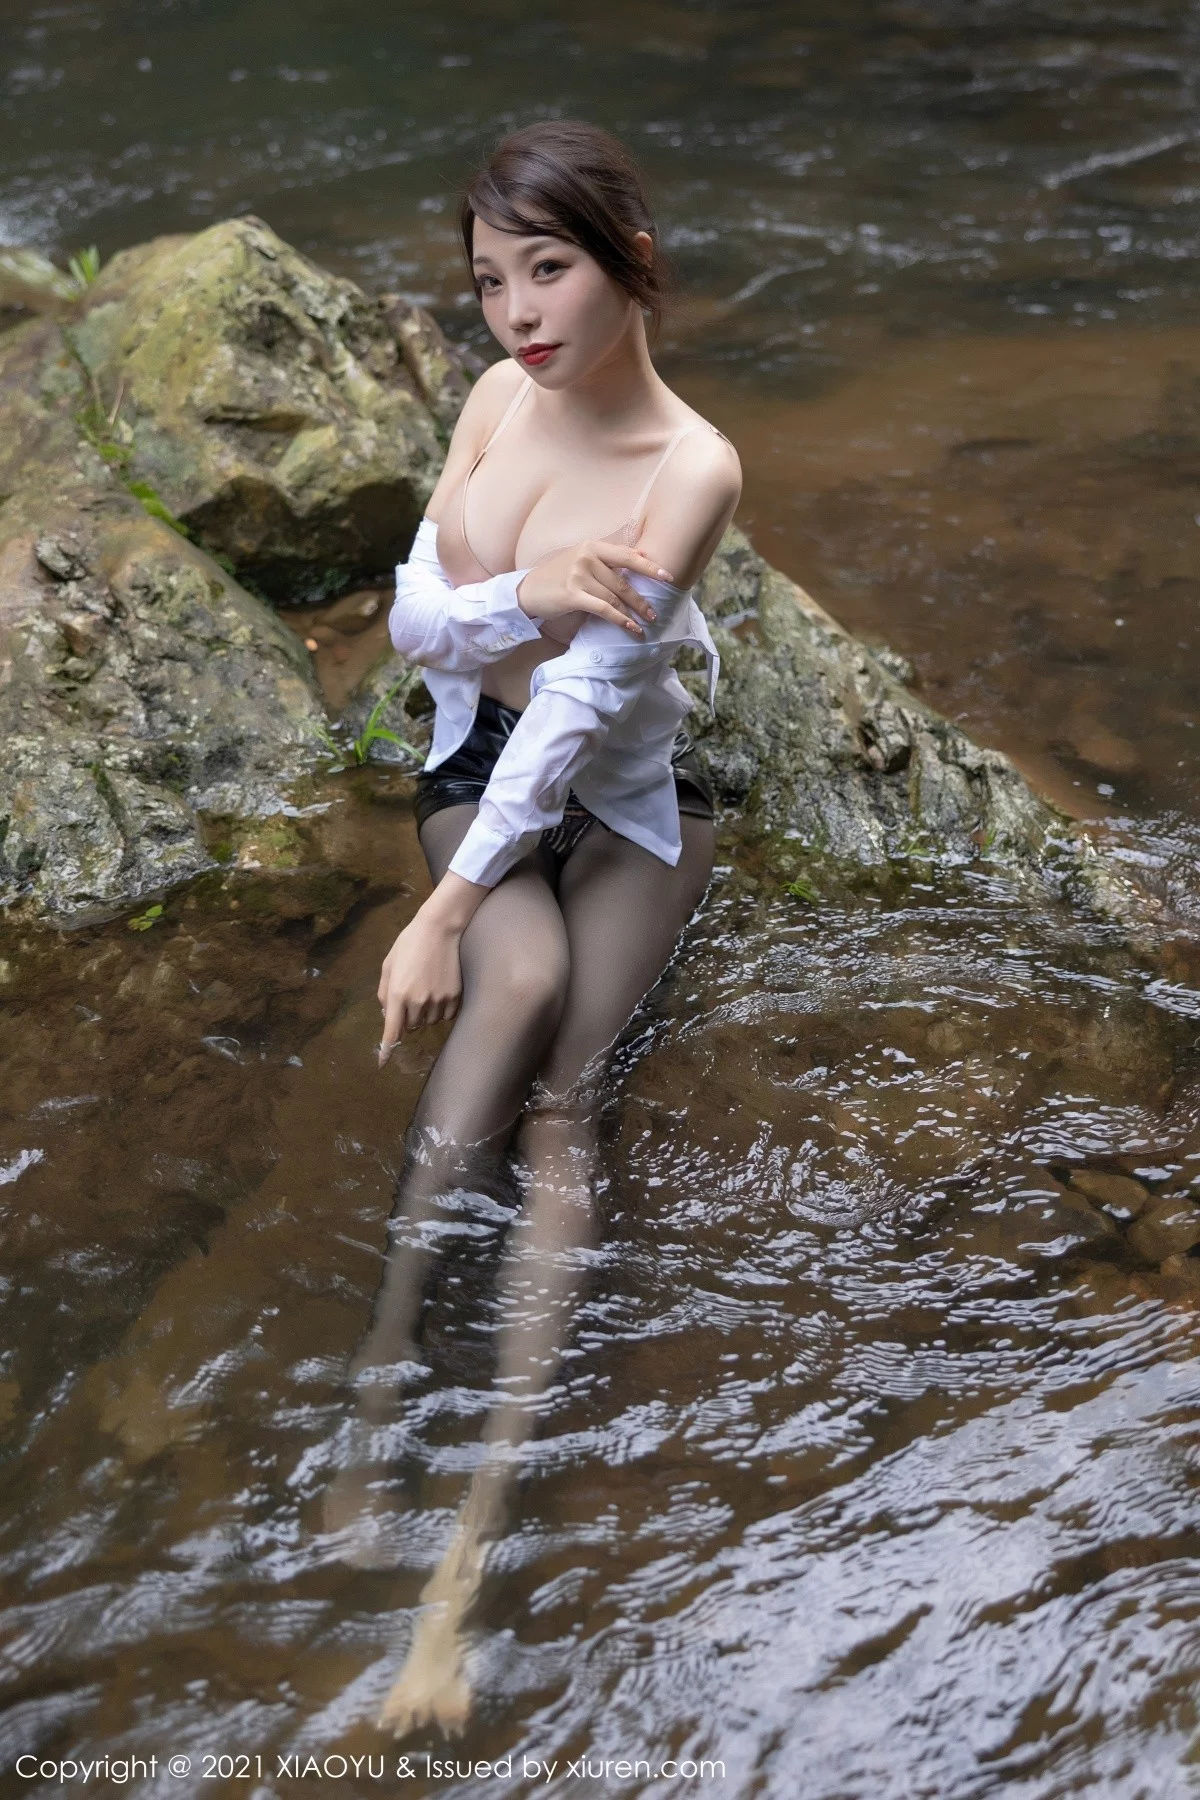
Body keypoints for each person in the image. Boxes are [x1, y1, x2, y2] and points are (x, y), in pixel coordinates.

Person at [325, 118, 742, 1737]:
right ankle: (377, 1392)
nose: (516, 312)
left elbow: (573, 723)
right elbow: (415, 620)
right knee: (519, 978)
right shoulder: (498, 396)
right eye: (491, 280)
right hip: (469, 763)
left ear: (630, 259)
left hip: (614, 798)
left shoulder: (691, 467)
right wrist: (539, 585)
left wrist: (431, 913)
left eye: (547, 270)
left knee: (566, 1104)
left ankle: (469, 1554)